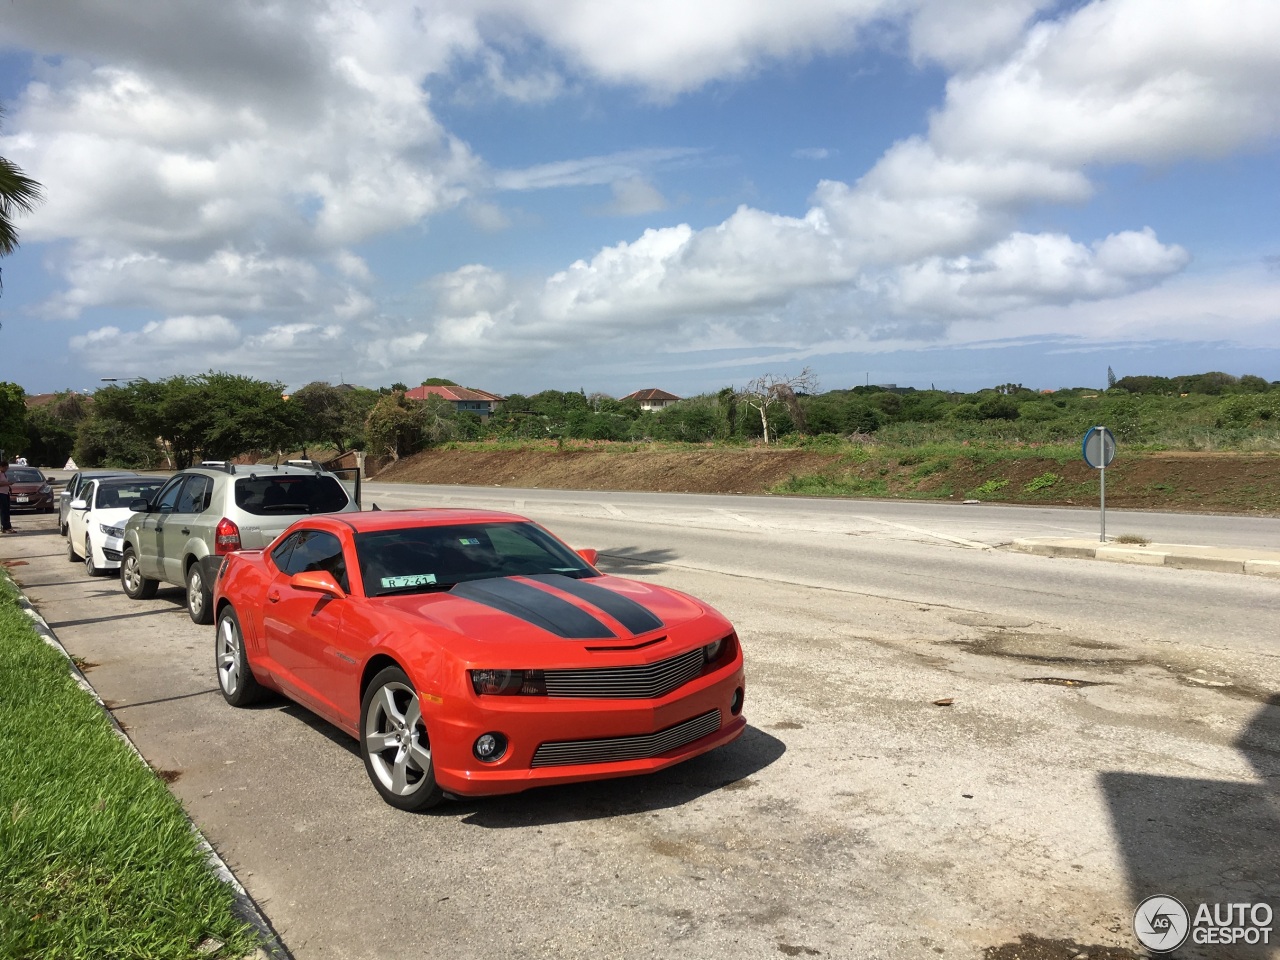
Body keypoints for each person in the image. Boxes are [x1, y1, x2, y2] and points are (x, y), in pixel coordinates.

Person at [0, 460, 13, 534]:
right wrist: (8, 483)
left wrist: (9, 487)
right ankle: (5, 527)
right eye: (5, 468)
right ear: (1, 467)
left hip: (6, 493)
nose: (6, 469)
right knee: (4, 510)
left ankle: (8, 526)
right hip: (1, 494)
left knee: (7, 510)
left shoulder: (3, 474)